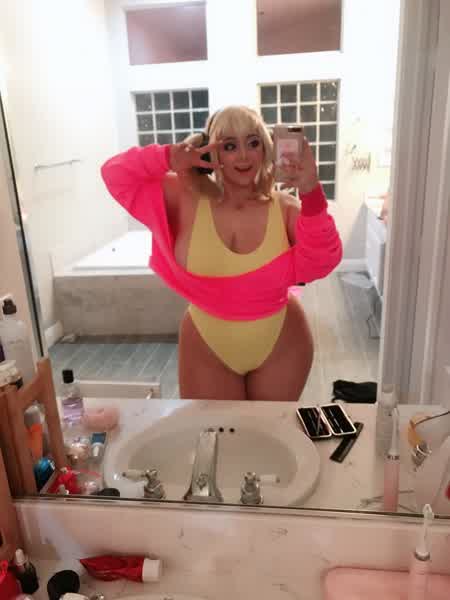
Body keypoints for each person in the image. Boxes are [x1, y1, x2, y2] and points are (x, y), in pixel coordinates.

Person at [101, 106, 342, 401]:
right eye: (229, 146)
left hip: (282, 340)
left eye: (253, 142)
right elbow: (114, 174)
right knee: (215, 429)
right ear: (211, 151)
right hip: (206, 343)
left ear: (265, 148)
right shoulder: (185, 198)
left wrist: (311, 190)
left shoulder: (285, 208)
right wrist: (168, 156)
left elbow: (323, 260)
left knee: (269, 430)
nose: (243, 156)